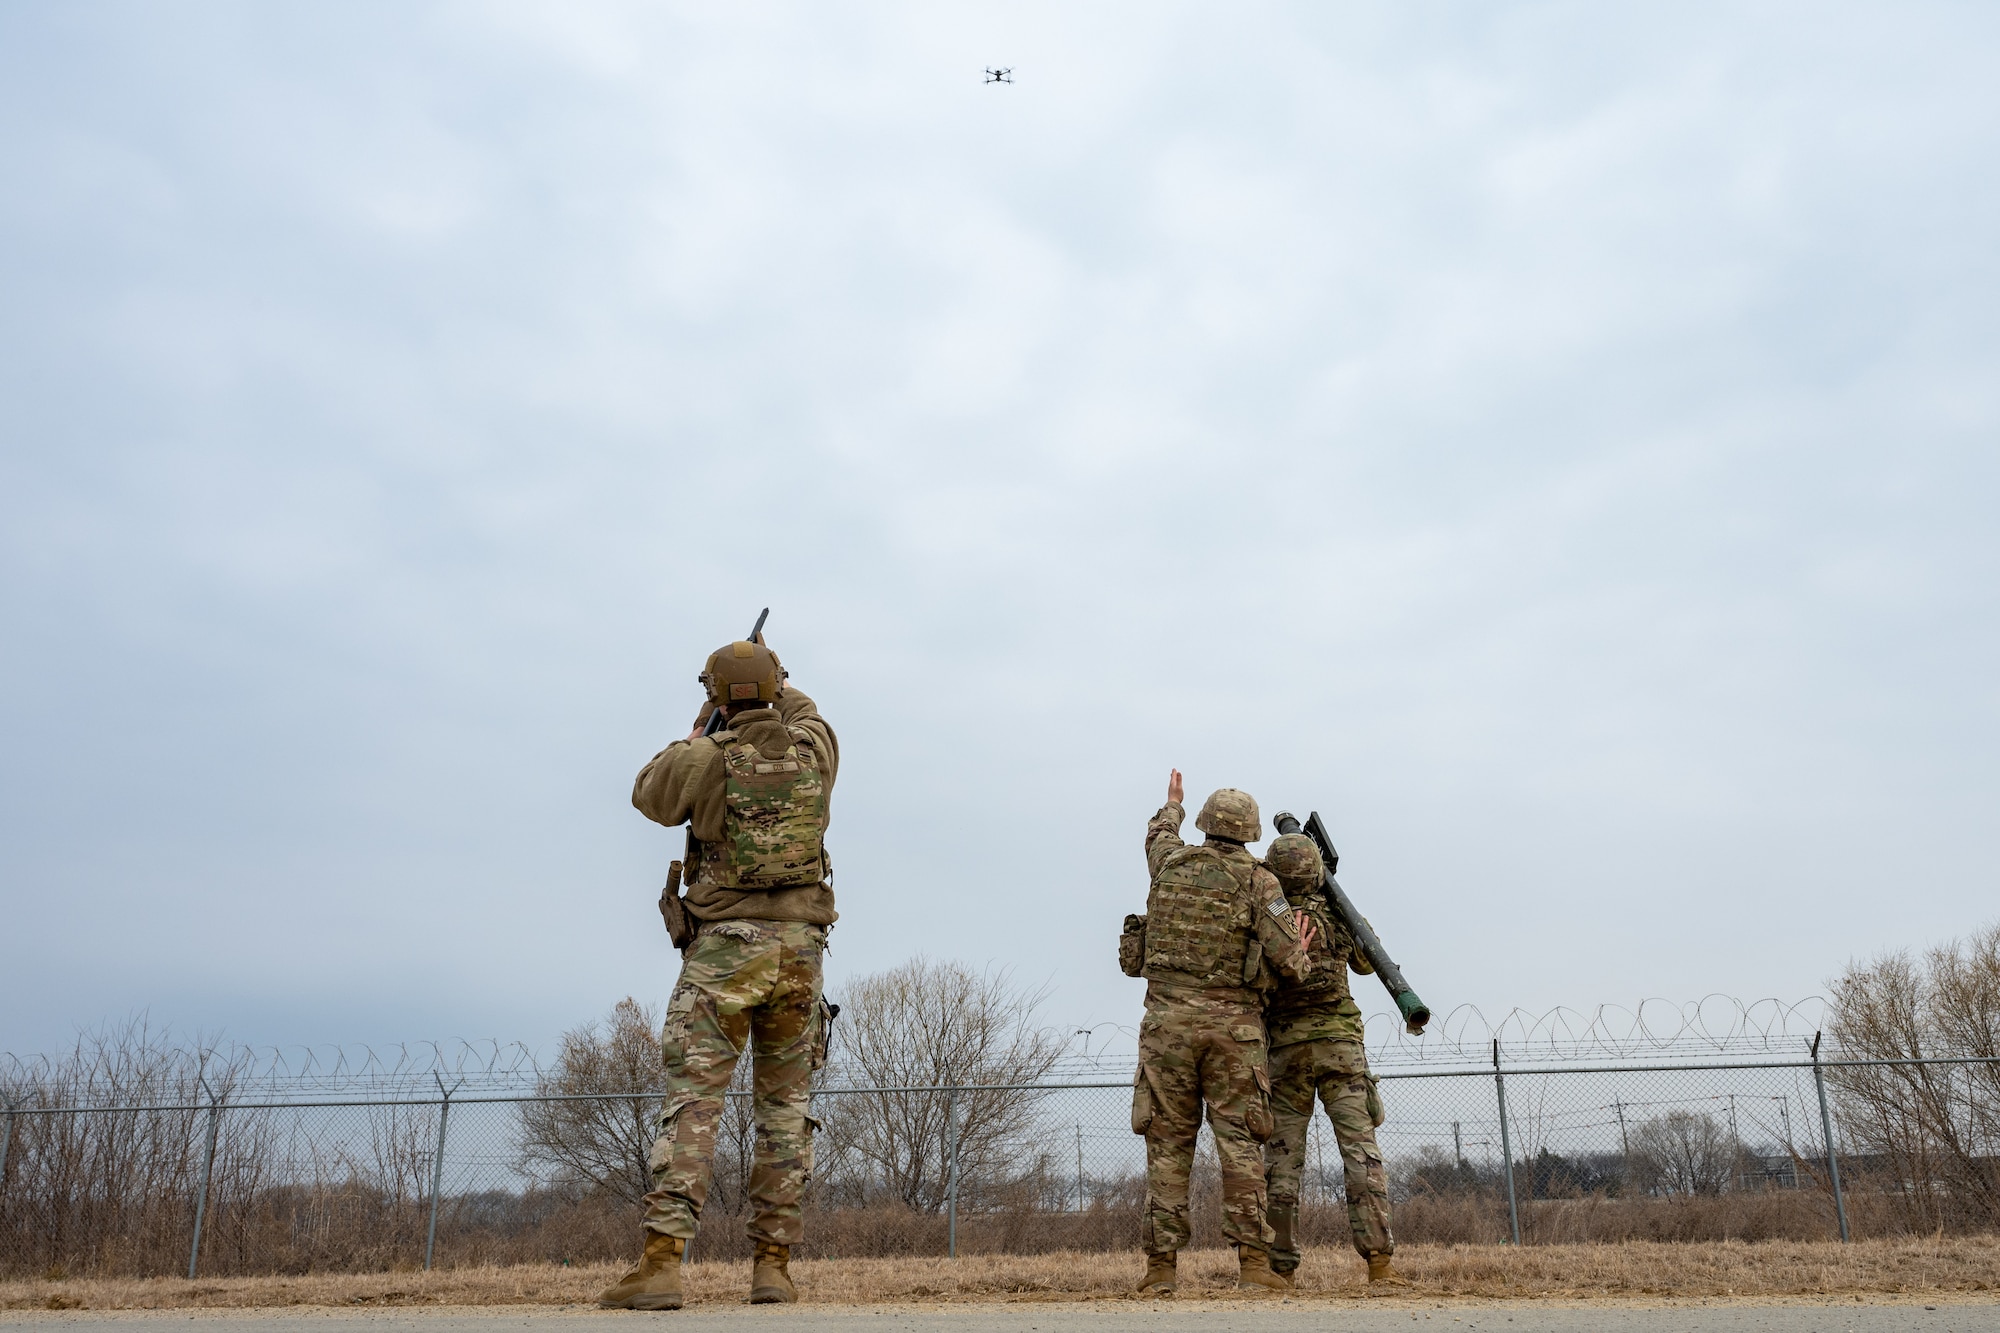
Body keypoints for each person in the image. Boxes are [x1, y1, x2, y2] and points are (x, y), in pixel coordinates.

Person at [596, 634, 839, 1311]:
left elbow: (649, 793)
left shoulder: (704, 757)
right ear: (776, 689)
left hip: (725, 954)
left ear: (715, 697)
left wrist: (702, 726)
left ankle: (661, 1267)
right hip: (800, 955)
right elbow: (805, 709)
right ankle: (773, 1269)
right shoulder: (815, 750)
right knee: (785, 1112)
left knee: (695, 1105)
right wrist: (773, 675)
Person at [1131, 769, 1317, 1297]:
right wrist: (1301, 950)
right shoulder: (1261, 882)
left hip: (1165, 1027)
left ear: (1206, 823)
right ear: (1251, 831)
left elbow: (1158, 835)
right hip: (1234, 1032)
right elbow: (1290, 963)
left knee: (1167, 1145)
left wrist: (1172, 804)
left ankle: (1161, 1270)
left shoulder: (1169, 862)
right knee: (1241, 1143)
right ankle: (1254, 1266)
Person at [1259, 831, 1407, 1290]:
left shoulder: (1268, 917)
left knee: (1282, 1162)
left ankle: (1280, 1269)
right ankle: (1379, 1263)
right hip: (1341, 1047)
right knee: (1360, 1152)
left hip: (1285, 1051)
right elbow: (1367, 960)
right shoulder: (1338, 914)